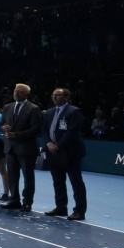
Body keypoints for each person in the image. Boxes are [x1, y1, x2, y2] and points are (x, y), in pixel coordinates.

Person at [42, 88, 88, 221]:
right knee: (58, 181)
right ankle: (61, 207)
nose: (55, 97)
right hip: (53, 151)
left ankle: (79, 211)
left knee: (76, 181)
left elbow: (72, 131)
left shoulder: (74, 111)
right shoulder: (50, 112)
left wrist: (59, 145)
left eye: (58, 95)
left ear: (67, 97)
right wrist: (49, 143)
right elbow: (44, 130)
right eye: (53, 95)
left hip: (70, 152)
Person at [0, 84, 42, 212]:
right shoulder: (8, 107)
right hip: (10, 148)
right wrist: (4, 128)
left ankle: (27, 202)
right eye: (15, 91)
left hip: (26, 148)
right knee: (12, 175)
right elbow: (2, 123)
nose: (16, 94)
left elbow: (36, 129)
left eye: (20, 92)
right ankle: (14, 199)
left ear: (26, 94)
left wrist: (17, 135)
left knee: (28, 177)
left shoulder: (33, 109)